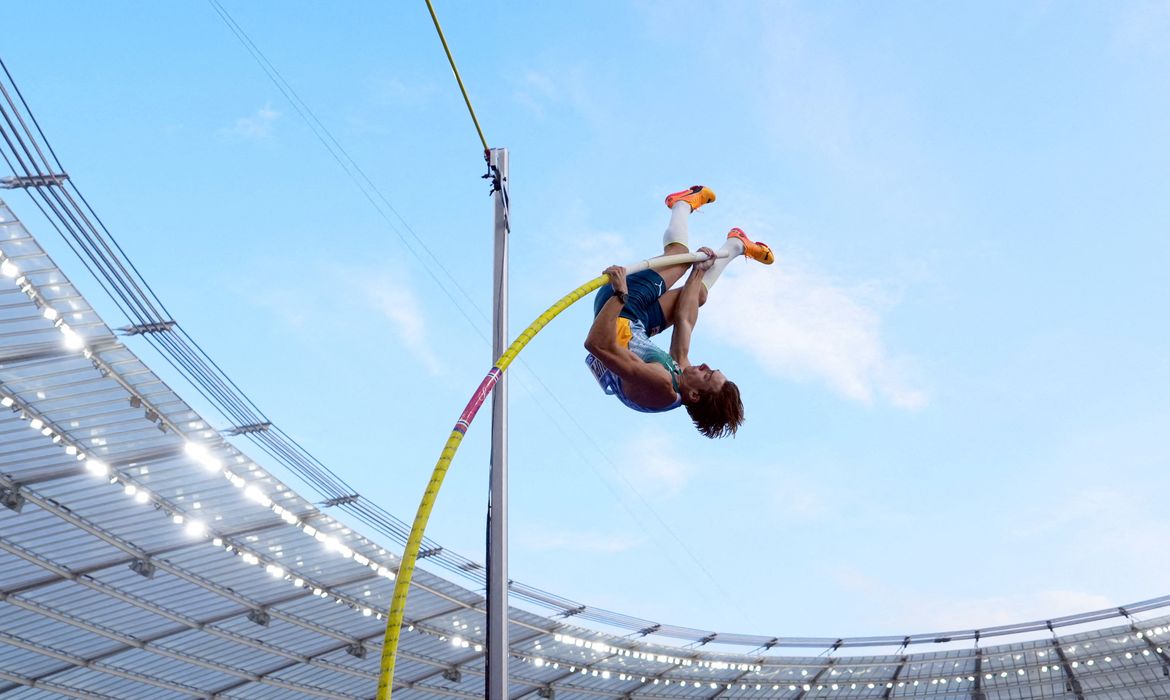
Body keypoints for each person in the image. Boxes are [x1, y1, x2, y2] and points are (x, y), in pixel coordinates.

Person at [584, 185, 773, 438]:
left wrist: (620, 293)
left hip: (619, 308)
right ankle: (736, 244)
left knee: (680, 256)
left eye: (707, 375)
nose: (704, 365)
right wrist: (699, 270)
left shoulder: (661, 384)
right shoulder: (681, 378)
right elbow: (685, 319)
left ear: (695, 395)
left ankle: (681, 204)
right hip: (636, 320)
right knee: (699, 295)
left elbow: (597, 344)